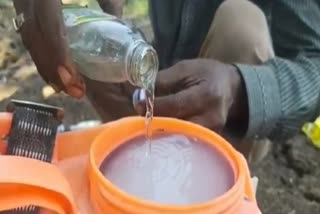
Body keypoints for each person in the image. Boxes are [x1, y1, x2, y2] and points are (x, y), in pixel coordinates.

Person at [12, 0, 320, 164]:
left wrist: (241, 89)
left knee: (241, 20)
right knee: (95, 42)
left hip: (231, 109)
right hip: (153, 81)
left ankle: (220, 183)